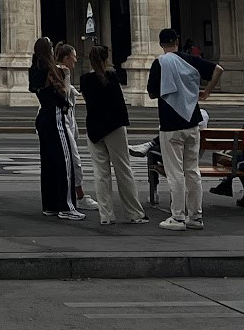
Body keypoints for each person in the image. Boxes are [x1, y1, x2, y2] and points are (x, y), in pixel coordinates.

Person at [78, 44, 145, 225]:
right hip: (114, 127)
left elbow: (88, 102)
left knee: (101, 173)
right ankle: (134, 213)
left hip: (94, 128)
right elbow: (118, 104)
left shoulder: (84, 79)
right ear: (106, 59)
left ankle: (106, 215)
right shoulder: (112, 77)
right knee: (123, 170)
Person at [148, 28, 205, 232]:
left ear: (161, 44)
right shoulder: (190, 60)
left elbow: (152, 92)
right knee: (192, 170)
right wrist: (207, 91)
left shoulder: (161, 63)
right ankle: (196, 217)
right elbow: (218, 69)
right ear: (178, 41)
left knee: (175, 172)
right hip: (192, 121)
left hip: (170, 124)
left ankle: (178, 217)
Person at [36, 42, 85, 220]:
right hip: (56, 118)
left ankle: (50, 205)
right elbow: (63, 96)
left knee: (48, 163)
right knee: (65, 162)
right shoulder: (54, 70)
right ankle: (66, 206)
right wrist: (65, 77)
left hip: (43, 117)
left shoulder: (36, 69)